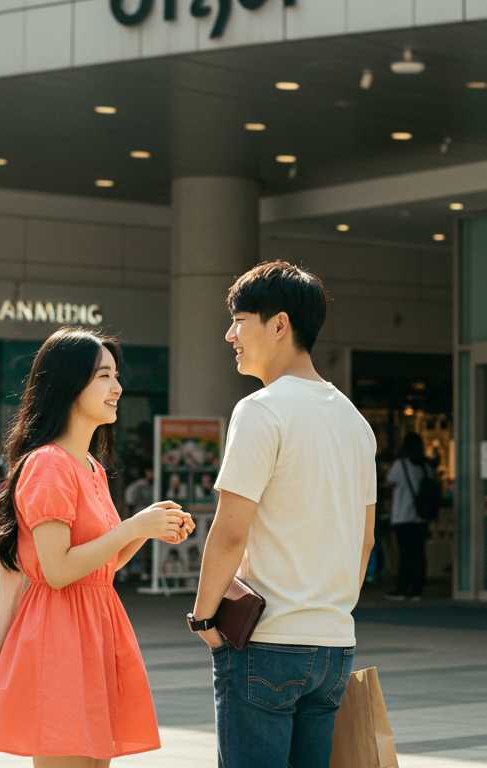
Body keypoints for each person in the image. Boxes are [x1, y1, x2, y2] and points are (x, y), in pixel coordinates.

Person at [191, 261, 377, 768]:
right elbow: (364, 540)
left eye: (240, 319)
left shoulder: (261, 410)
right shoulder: (357, 423)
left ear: (279, 325)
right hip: (334, 646)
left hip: (267, 643)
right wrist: (329, 611)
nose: (230, 334)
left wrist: (204, 616)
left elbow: (230, 531)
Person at [0, 327, 194, 766]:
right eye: (104, 376)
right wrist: (135, 524)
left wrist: (147, 527)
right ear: (68, 383)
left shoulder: (90, 466)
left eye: (116, 376)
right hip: (59, 634)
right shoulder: (48, 464)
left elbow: (105, 562)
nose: (117, 388)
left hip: (94, 625)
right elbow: (57, 569)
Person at [386, 433, 435, 601]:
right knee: (419, 554)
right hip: (422, 517)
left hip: (403, 516)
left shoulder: (400, 465)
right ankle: (417, 590)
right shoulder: (426, 467)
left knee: (405, 554)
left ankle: (401, 588)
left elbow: (390, 482)